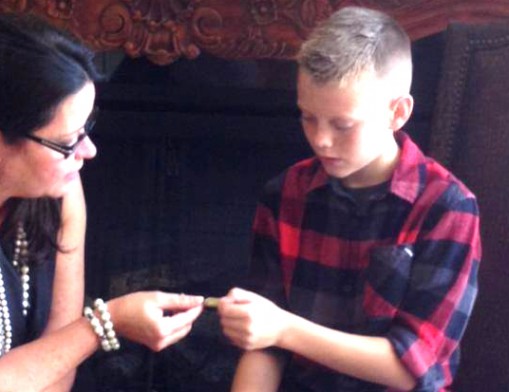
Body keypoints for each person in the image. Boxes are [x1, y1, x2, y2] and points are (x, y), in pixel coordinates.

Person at [217, 6, 481, 392]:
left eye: (343, 125)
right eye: (308, 117)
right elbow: (264, 344)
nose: (321, 139)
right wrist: (266, 330)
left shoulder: (448, 208)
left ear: (398, 112)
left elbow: (412, 367)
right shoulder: (284, 193)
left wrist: (283, 328)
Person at [0, 13, 204, 391]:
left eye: (87, 129)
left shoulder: (61, 193)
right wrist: (105, 323)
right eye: (67, 141)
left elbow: (60, 376)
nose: (88, 151)